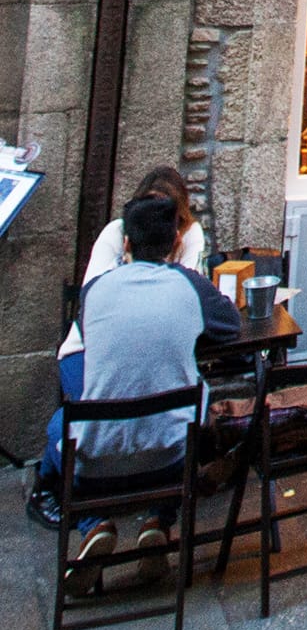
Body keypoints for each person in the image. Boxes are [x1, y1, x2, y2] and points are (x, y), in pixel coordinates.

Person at [54, 194, 240, 593]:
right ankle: (158, 523)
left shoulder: (95, 293)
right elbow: (231, 326)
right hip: (172, 464)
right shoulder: (190, 286)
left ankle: (95, 524)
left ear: (125, 244)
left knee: (59, 427)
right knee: (184, 416)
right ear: (176, 242)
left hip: (96, 468)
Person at [28, 166, 206, 530]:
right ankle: (74, 505)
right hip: (90, 348)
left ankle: (148, 515)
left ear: (178, 222)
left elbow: (192, 285)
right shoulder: (116, 235)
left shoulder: (190, 237)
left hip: (149, 345)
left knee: (141, 411)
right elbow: (94, 299)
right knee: (92, 411)